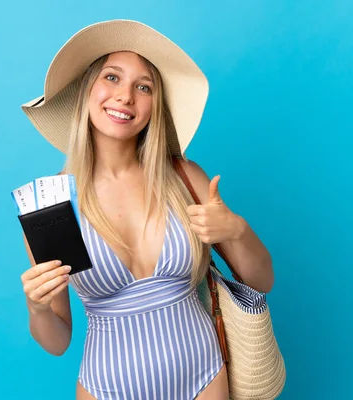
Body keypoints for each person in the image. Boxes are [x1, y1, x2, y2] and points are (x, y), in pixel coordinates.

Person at [18, 20, 274, 400]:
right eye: (112, 77)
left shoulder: (184, 178)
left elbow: (262, 282)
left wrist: (235, 230)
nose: (125, 97)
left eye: (143, 86)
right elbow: (57, 342)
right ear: (87, 90)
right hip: (106, 387)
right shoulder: (50, 203)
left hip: (204, 378)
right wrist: (37, 309)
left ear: (155, 106)